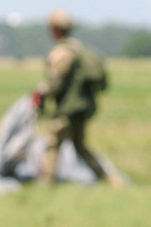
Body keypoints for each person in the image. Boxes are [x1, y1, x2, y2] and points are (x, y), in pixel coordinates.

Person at [33, 10, 120, 186]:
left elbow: (56, 83)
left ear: (55, 30)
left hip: (67, 109)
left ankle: (46, 184)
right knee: (80, 147)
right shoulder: (80, 49)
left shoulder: (62, 53)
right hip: (82, 108)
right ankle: (110, 180)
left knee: (52, 145)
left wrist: (41, 93)